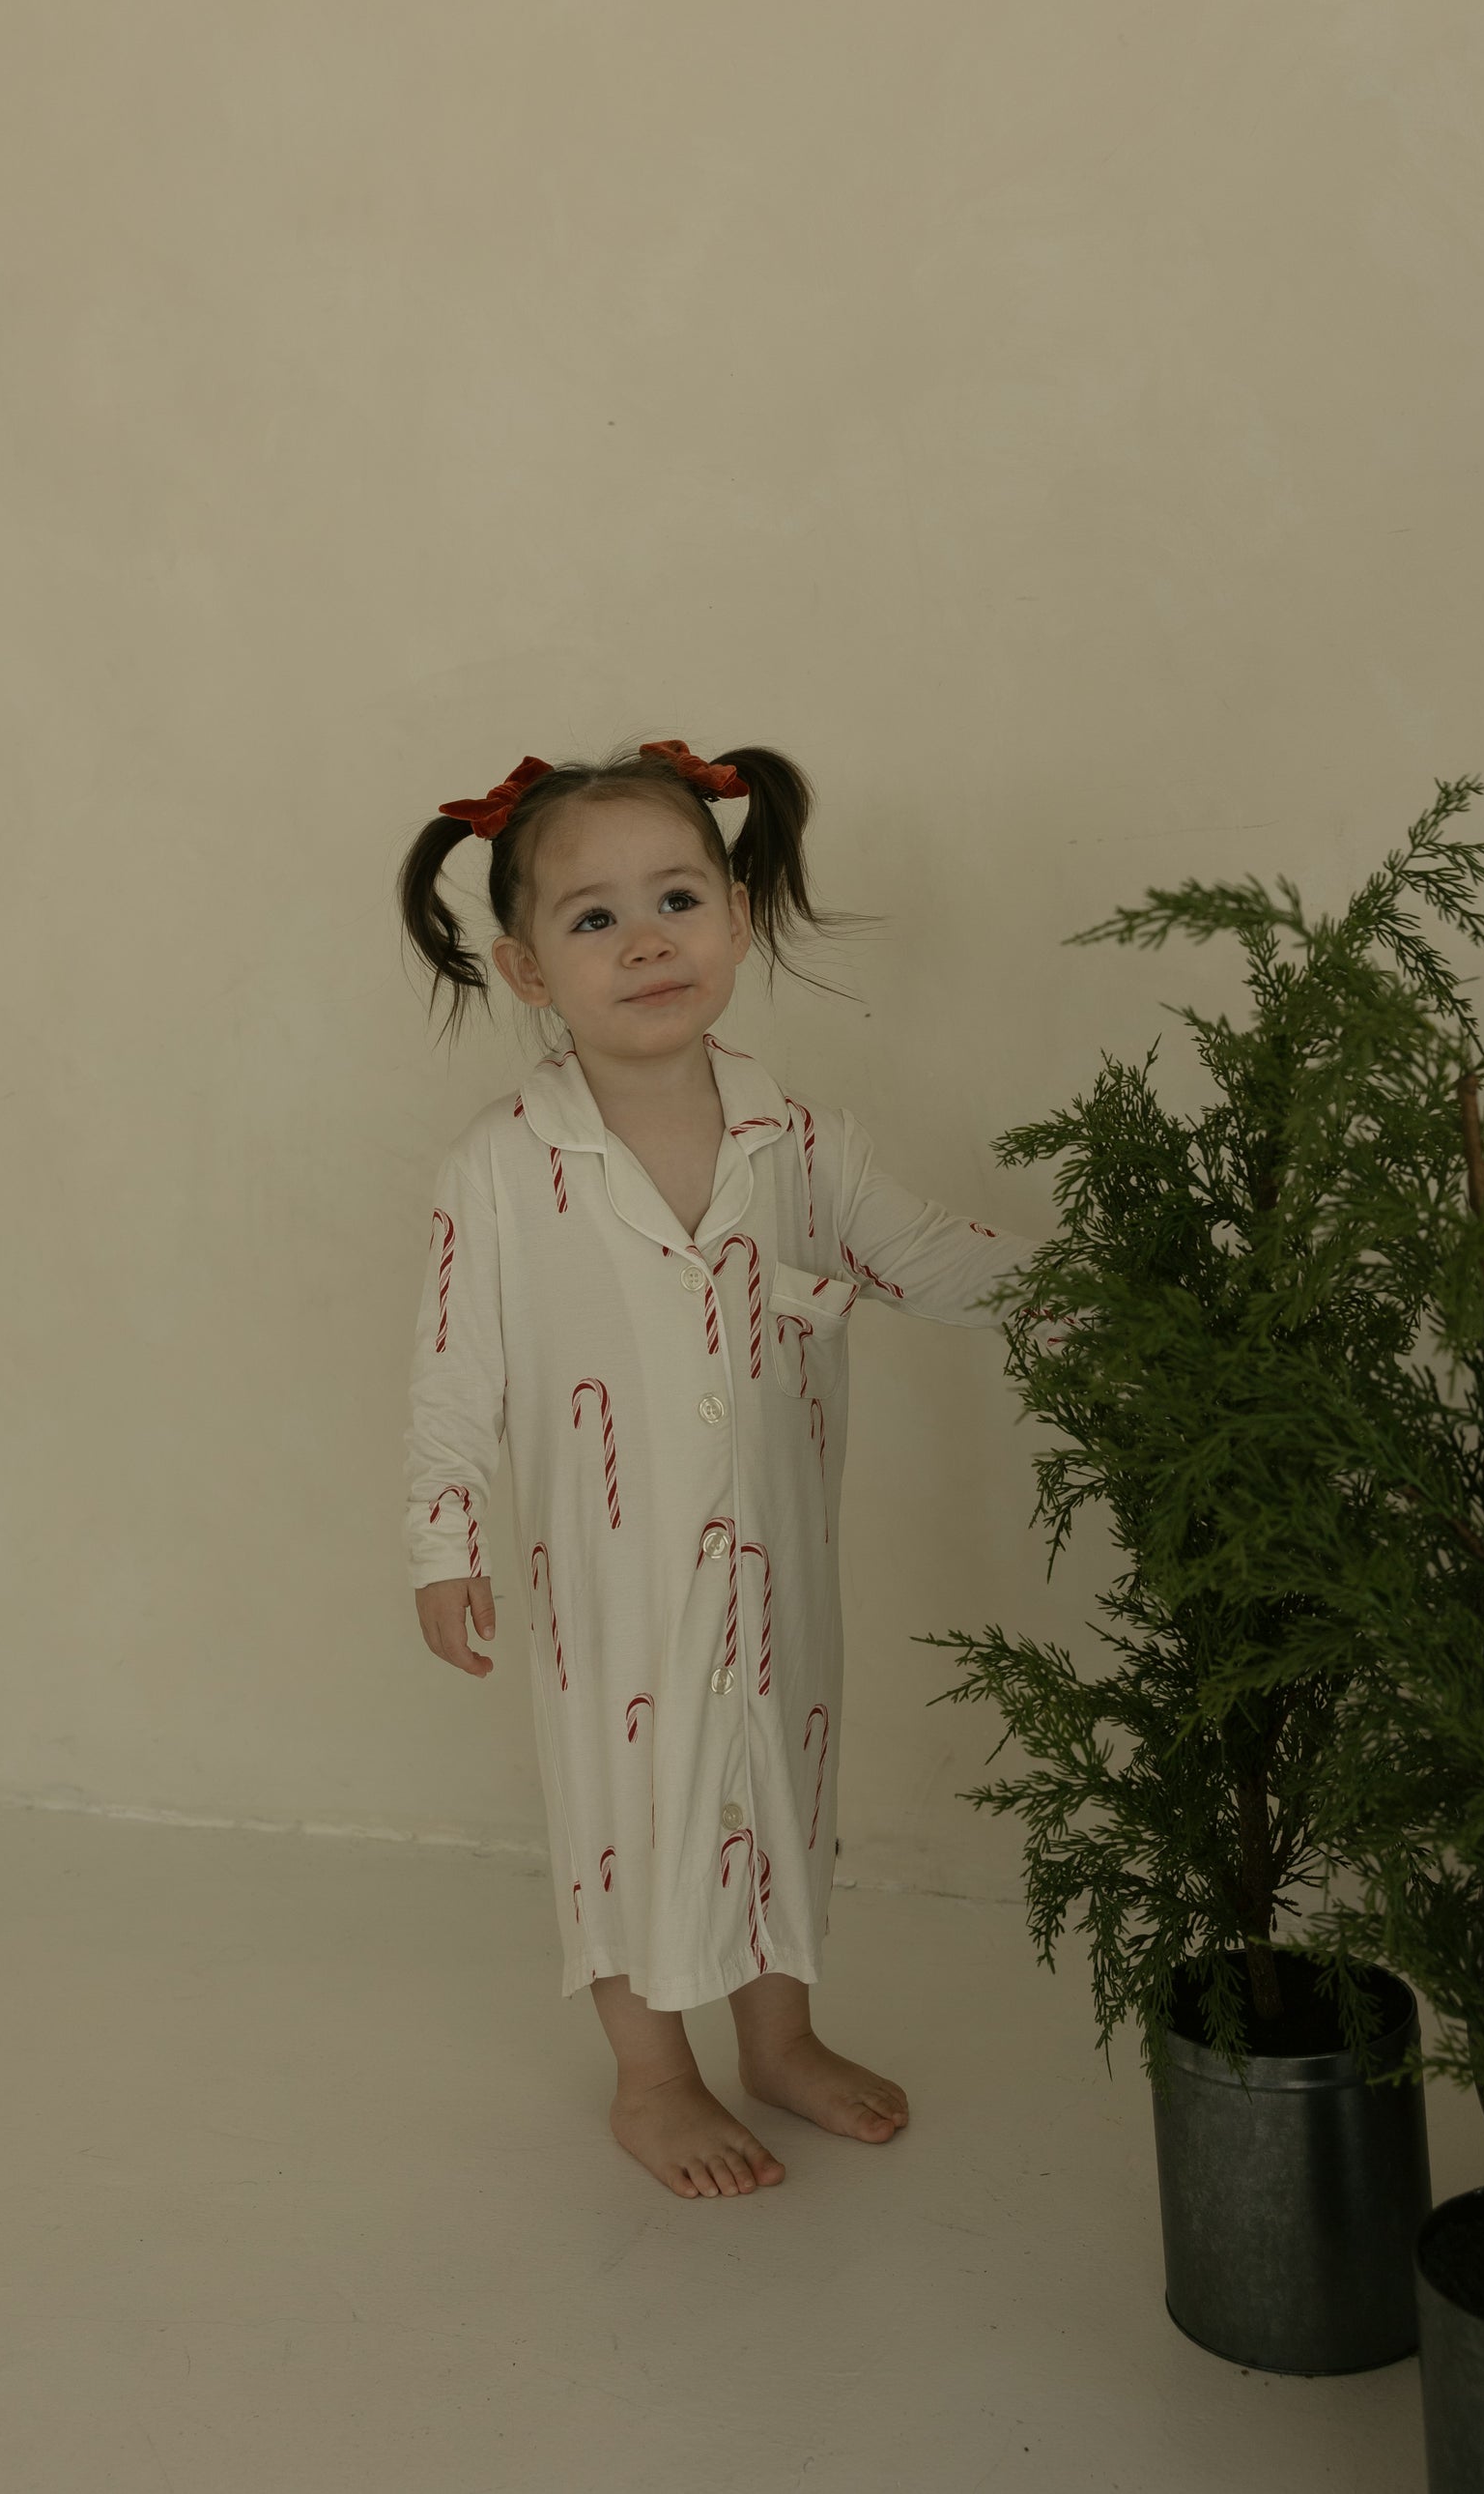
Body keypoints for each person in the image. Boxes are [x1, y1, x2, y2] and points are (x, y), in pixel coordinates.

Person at [397, 738, 1029, 2199]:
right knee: (630, 1806)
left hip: (776, 1568)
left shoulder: (799, 1140)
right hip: (602, 1582)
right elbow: (452, 1373)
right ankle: (652, 2075)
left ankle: (780, 2039)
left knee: (777, 1789)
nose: (646, 940)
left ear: (737, 918)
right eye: (593, 917)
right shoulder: (500, 1167)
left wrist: (1114, 1292)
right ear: (527, 969)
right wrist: (443, 1542)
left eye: (676, 897)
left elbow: (926, 1259)